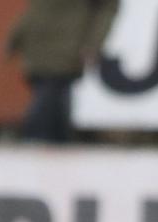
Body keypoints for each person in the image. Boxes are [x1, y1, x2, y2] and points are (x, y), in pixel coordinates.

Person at [7, 0, 119, 143]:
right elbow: (34, 10)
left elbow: (106, 10)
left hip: (68, 46)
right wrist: (15, 37)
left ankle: (38, 139)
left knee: (51, 92)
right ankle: (54, 142)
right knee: (53, 95)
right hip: (37, 45)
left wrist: (93, 44)